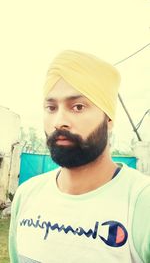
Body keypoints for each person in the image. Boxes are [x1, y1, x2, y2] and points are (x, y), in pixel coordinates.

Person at [9, 50, 150, 263]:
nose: (59, 121)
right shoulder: (27, 195)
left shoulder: (141, 203)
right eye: (51, 107)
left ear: (109, 119)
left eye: (77, 107)